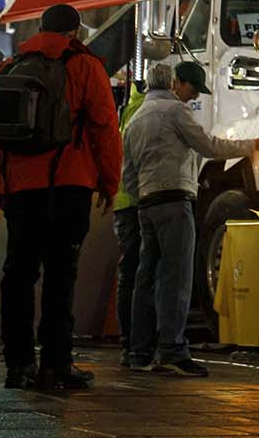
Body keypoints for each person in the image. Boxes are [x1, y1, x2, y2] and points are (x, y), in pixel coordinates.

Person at [0, 3, 122, 392]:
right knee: (61, 275)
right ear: (75, 32)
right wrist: (109, 183)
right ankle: (56, 365)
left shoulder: (6, 68)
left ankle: (17, 366)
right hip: (70, 184)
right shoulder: (85, 66)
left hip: (21, 190)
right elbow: (106, 128)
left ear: (40, 28)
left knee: (18, 275)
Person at [120, 61, 259, 377]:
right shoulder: (175, 112)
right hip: (174, 201)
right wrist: (252, 146)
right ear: (177, 84)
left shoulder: (136, 119)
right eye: (192, 89)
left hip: (147, 204)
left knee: (145, 278)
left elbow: (128, 173)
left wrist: (144, 195)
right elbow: (209, 146)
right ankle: (173, 350)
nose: (192, 97)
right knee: (176, 277)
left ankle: (139, 352)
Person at [110, 79, 146, 366]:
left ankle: (130, 343)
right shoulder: (144, 108)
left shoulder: (131, 107)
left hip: (124, 203)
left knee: (130, 274)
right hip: (136, 203)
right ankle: (135, 342)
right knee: (138, 274)